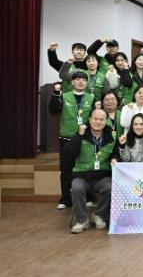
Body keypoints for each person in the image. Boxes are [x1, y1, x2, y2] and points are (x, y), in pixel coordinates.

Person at [66, 109, 119, 233]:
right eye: (95, 119)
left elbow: (115, 153)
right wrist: (79, 136)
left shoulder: (112, 136)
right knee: (76, 187)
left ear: (106, 121)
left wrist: (114, 159)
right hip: (82, 175)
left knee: (111, 187)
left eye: (101, 119)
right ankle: (82, 220)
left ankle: (99, 215)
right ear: (90, 120)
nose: (98, 122)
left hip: (102, 176)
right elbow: (69, 153)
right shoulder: (81, 134)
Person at [49, 72, 95, 210]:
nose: (81, 82)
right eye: (78, 79)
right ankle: (65, 199)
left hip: (85, 138)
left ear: (87, 83)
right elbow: (53, 110)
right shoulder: (64, 95)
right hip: (67, 138)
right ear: (72, 82)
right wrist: (56, 93)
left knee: (86, 168)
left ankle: (88, 197)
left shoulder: (91, 97)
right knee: (66, 170)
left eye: (84, 80)